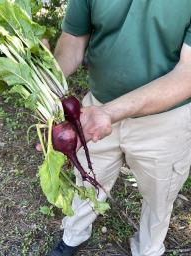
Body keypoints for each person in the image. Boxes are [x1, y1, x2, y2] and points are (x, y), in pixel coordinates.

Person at [49, 1, 191, 255]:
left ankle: (148, 248)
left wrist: (110, 113)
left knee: (160, 196)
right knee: (87, 180)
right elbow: (73, 38)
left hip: (166, 120)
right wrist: (46, 75)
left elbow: (188, 74)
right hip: (96, 108)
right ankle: (73, 235)